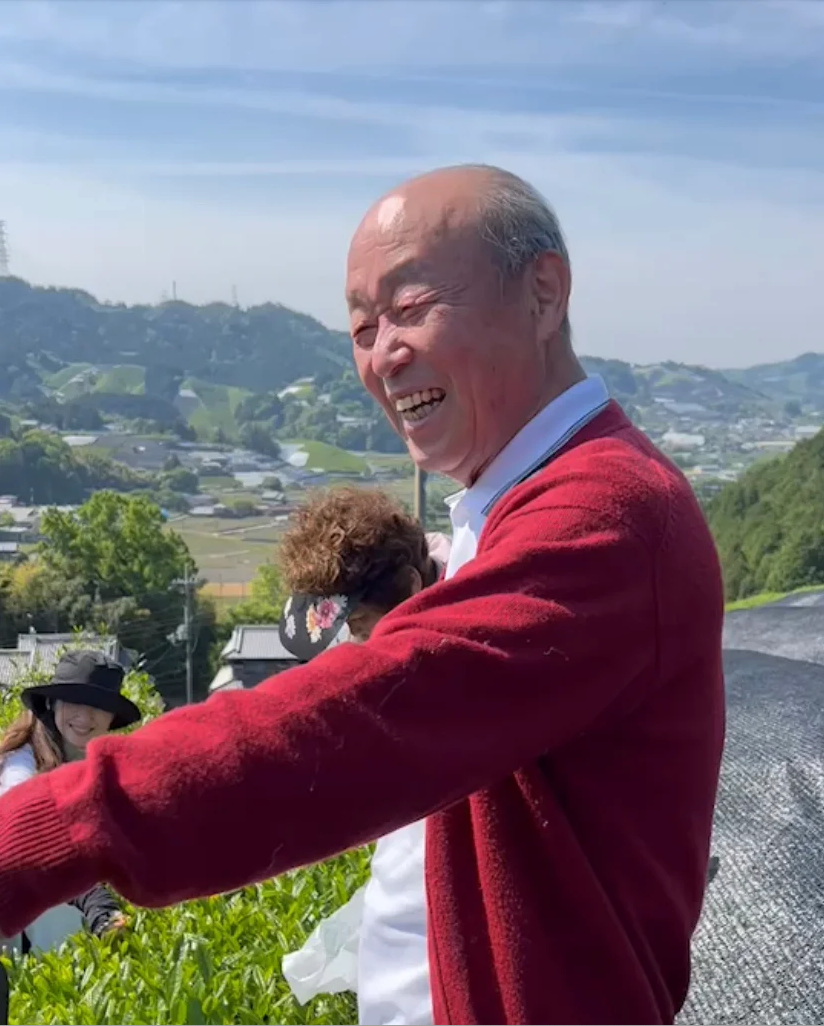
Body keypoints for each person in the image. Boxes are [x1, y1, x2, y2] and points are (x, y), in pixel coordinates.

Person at [0, 165, 725, 1026]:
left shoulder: (605, 516)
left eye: (412, 306)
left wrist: (49, 833)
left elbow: (369, 713)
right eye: (361, 325)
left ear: (544, 291)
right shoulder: (508, 507)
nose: (383, 354)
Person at [276, 486, 449, 1014]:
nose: (353, 648)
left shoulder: (458, 660)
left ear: (413, 587)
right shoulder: (420, 585)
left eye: (357, 626)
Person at [0, 649, 138, 953]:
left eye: (98, 706)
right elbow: (25, 834)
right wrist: (93, 897)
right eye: (75, 702)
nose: (85, 716)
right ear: (52, 703)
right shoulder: (22, 762)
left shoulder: (102, 769)